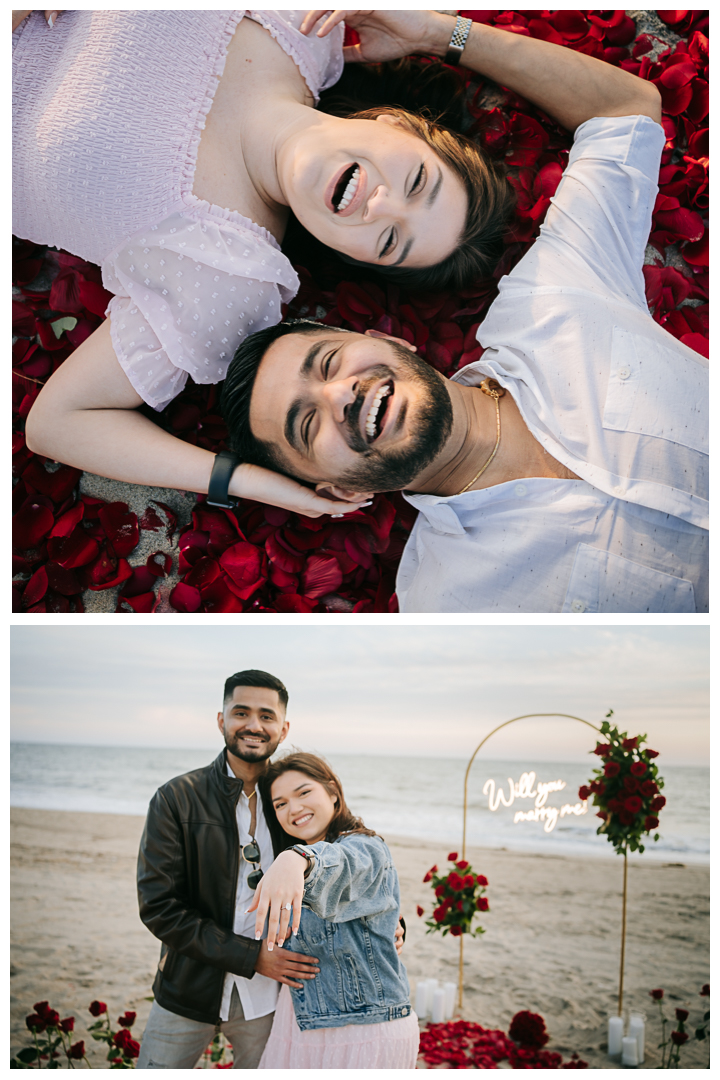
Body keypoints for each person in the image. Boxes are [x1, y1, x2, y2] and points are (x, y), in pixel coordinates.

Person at [220, 22, 708, 613]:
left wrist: (438, 32)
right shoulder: (441, 604)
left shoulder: (554, 299)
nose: (340, 395)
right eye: (306, 424)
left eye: (327, 363)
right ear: (338, 490)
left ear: (384, 338)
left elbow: (625, 112)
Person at [14, 9, 513, 517]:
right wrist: (440, 30)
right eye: (417, 182)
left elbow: (59, 422)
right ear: (399, 124)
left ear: (352, 257)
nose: (380, 206)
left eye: (388, 241)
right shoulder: (306, 24)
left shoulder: (226, 271)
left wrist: (253, 482)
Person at [135, 667, 406, 1068]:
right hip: (188, 987)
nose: (253, 725)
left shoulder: (291, 801)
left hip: (272, 998)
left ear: (283, 727)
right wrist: (251, 957)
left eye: (267, 716)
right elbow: (159, 906)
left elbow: (345, 859)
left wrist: (390, 921)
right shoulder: (178, 798)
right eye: (241, 712)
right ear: (221, 720)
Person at [252, 752, 419, 1069]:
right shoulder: (285, 856)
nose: (294, 808)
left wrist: (297, 858)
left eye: (304, 793)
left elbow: (340, 867)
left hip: (365, 1026)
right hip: (300, 1019)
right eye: (280, 804)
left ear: (332, 792)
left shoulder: (365, 846)